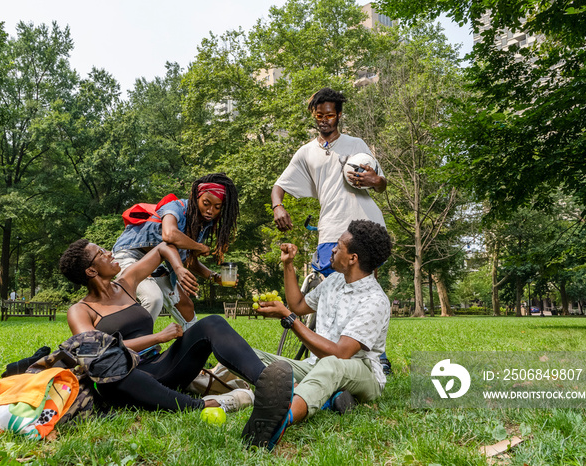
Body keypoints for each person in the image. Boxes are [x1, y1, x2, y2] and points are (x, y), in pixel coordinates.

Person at [59, 239, 289, 414]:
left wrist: (178, 268)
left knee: (212, 323)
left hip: (161, 366)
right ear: (91, 271)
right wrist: (158, 337)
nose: (109, 252)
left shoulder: (126, 283)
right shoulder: (80, 311)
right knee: (116, 376)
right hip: (127, 379)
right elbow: (97, 354)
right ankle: (206, 405)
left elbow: (163, 247)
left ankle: (271, 384)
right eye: (101, 253)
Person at [271, 86, 392, 373]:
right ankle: (330, 350)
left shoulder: (355, 144)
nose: (324, 119)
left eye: (330, 114)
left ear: (338, 116)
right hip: (332, 232)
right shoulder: (306, 153)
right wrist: (278, 207)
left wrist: (374, 179)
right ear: (314, 115)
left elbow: (383, 184)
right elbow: (279, 186)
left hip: (366, 225)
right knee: (331, 293)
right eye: (319, 114)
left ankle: (377, 356)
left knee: (364, 290)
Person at [242, 220, 392, 451]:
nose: (332, 249)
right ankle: (331, 398)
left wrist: (290, 320)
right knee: (254, 357)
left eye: (339, 246)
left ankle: (279, 420)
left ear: (353, 258)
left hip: (361, 371)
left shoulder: (374, 300)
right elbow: (298, 305)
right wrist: (288, 265)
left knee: (333, 366)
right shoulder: (333, 282)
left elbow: (342, 354)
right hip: (317, 364)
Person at [112, 173, 239, 331]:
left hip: (154, 262)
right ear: (196, 198)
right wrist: (199, 247)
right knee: (153, 298)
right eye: (206, 203)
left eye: (217, 207)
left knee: (186, 305)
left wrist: (214, 277)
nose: (210, 210)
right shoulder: (176, 207)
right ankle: (134, 346)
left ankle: (195, 347)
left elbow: (188, 261)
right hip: (129, 254)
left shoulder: (202, 225)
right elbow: (169, 235)